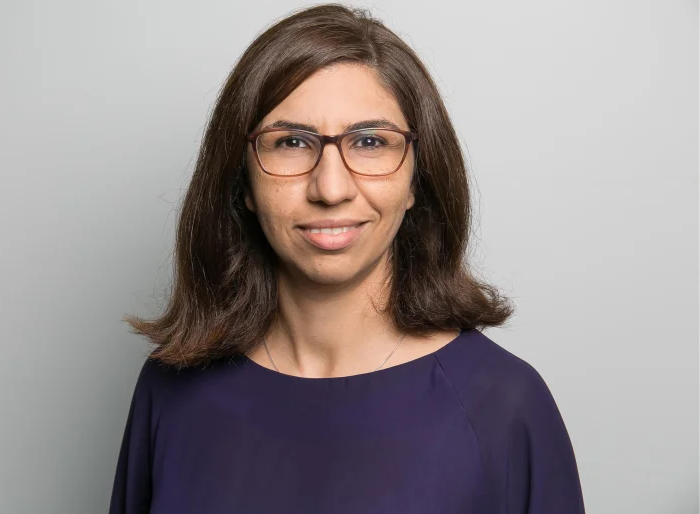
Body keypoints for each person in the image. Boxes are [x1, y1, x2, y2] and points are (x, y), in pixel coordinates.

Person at [108, 4, 585, 513]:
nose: (331, 188)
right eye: (291, 142)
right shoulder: (171, 387)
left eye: (370, 142)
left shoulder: (503, 405)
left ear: (416, 180)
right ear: (241, 180)